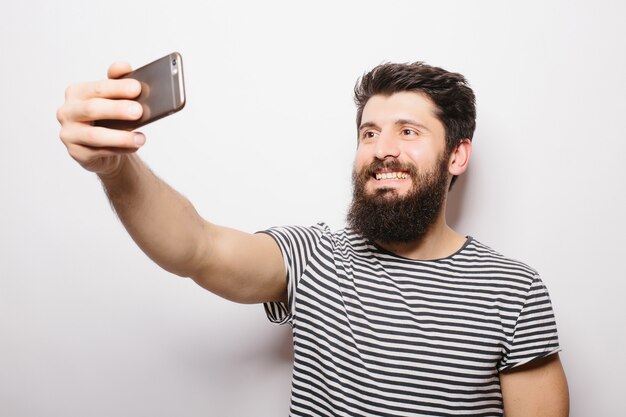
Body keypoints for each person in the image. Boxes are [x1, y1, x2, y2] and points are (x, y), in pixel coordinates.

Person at [57, 60, 569, 416]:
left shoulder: (512, 289)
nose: (382, 150)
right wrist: (116, 169)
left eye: (408, 132)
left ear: (457, 155)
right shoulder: (317, 257)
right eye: (369, 133)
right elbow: (196, 248)